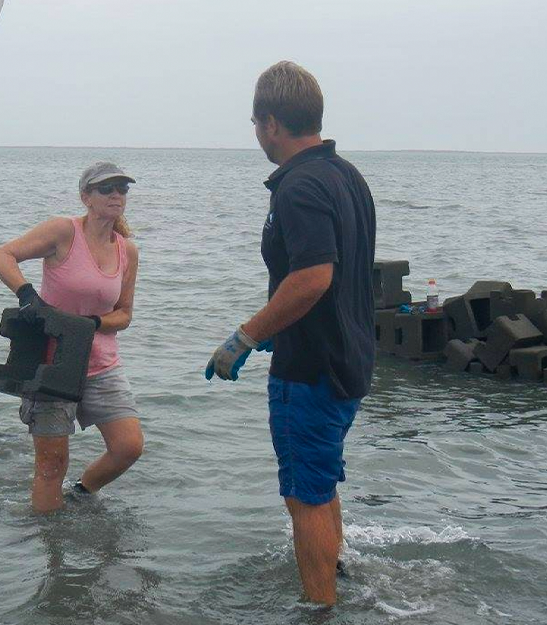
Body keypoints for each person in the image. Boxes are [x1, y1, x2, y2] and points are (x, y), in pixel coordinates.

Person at [205, 61, 376, 606]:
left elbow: (313, 277)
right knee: (318, 487)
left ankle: (319, 607)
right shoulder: (345, 175)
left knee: (305, 496)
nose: (256, 134)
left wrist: (245, 336)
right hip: (348, 357)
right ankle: (335, 575)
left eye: (256, 124)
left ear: (272, 123)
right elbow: (341, 272)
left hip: (311, 370)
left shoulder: (299, 186)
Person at [0, 162, 143, 514]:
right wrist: (27, 294)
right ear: (86, 196)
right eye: (107, 188)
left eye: (122, 188)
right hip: (51, 366)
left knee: (128, 447)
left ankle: (82, 492)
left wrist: (91, 322)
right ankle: (50, 549)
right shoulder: (63, 231)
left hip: (102, 364)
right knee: (51, 466)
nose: (116, 195)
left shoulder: (127, 250)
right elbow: (1, 256)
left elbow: (124, 314)